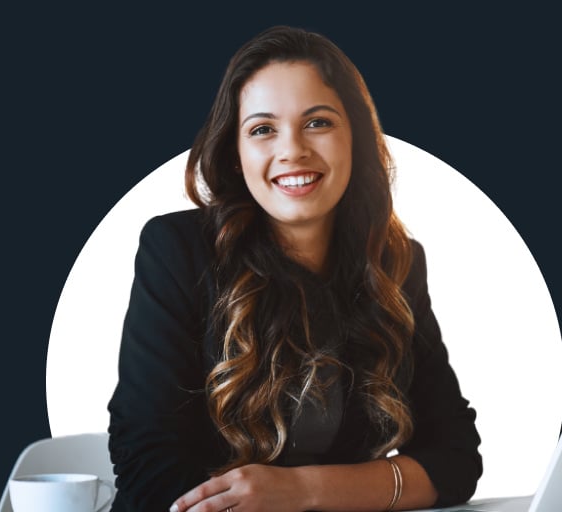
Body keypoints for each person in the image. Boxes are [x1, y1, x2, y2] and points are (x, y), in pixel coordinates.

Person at [107, 25, 481, 512]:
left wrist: (303, 492)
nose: (293, 150)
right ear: (236, 156)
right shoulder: (176, 250)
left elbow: (454, 460)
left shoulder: (396, 263)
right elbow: (146, 467)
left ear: (356, 140)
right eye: (262, 129)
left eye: (318, 123)